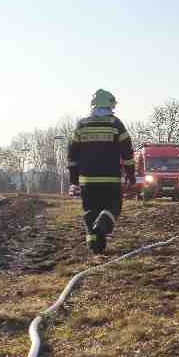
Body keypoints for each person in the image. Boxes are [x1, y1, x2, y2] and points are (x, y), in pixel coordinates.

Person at [66, 89, 135, 254]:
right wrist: (130, 175)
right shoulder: (116, 124)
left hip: (87, 181)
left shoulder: (81, 125)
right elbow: (128, 152)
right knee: (113, 207)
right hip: (110, 179)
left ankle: (95, 245)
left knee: (90, 210)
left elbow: (72, 156)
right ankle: (104, 222)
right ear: (110, 105)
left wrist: (73, 181)